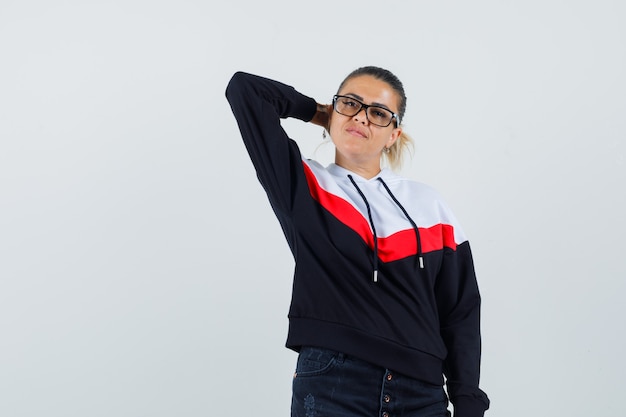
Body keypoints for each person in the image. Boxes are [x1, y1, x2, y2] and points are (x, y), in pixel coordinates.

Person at [225, 67, 490, 417]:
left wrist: (467, 398)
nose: (362, 117)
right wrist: (320, 113)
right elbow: (245, 90)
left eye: (378, 113)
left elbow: (460, 308)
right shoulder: (302, 185)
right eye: (351, 104)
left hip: (422, 392)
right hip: (333, 382)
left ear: (394, 134)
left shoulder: (430, 205)